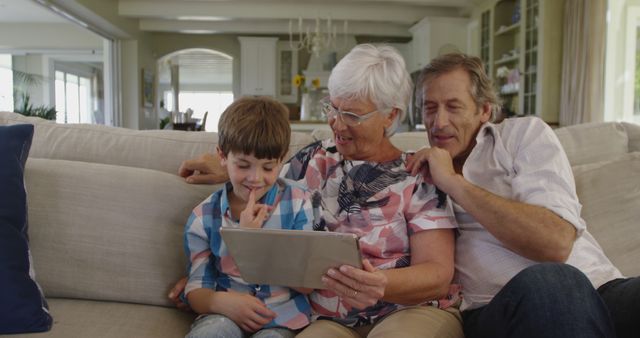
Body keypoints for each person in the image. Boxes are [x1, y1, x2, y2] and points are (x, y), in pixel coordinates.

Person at [176, 44, 464, 338]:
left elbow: (438, 274)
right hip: (327, 319)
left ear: (390, 116)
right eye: (333, 107)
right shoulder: (315, 158)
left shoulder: (418, 174)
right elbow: (261, 175)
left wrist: (380, 283)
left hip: (406, 310)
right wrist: (209, 284)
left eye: (352, 115)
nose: (336, 123)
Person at [405, 53, 639, 338]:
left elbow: (554, 242)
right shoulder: (414, 174)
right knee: (552, 282)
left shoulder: (523, 135)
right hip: (501, 308)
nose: (438, 122)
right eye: (430, 108)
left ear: (484, 111)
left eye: (453, 107)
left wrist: (455, 183)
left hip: (600, 289)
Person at [182, 96, 315, 338]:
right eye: (243, 166)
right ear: (222, 157)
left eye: (267, 167)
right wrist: (219, 303)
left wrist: (251, 243)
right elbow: (195, 290)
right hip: (224, 314)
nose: (255, 178)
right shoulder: (203, 217)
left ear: (282, 159)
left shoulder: (297, 203)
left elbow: (306, 283)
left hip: (282, 318)